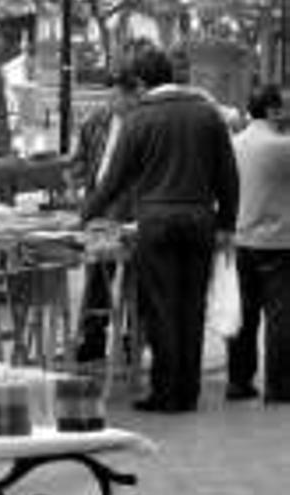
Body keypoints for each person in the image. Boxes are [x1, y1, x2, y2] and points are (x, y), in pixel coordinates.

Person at [81, 47, 239, 413]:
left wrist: (85, 216)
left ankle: (166, 394)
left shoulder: (139, 119)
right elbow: (228, 175)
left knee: (161, 307)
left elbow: (113, 181)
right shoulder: (207, 114)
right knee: (191, 306)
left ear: (140, 82)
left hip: (155, 221)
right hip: (201, 219)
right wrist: (228, 223)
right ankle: (188, 391)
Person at [69, 66, 141, 362]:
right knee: (97, 274)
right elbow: (80, 160)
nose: (111, 103)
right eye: (108, 96)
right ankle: (93, 337)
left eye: (116, 97)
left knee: (136, 278)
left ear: (131, 94)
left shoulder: (142, 123)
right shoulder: (96, 121)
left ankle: (133, 338)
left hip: (133, 208)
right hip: (99, 207)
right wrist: (77, 178)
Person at [226, 85, 290, 403]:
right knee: (281, 316)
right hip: (279, 242)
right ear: (273, 110)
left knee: (245, 314)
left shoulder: (235, 144)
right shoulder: (282, 146)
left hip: (243, 238)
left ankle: (238, 382)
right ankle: (280, 386)